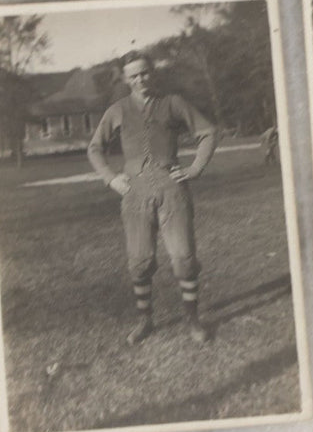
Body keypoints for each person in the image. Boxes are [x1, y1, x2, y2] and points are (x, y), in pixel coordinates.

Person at [88, 51, 219, 345]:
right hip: (134, 194)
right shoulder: (118, 110)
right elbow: (95, 148)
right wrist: (111, 178)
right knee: (139, 260)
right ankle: (144, 320)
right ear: (125, 79)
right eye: (133, 75)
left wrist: (195, 168)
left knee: (184, 258)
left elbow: (208, 133)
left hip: (172, 189)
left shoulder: (173, 103)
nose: (140, 79)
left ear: (152, 73)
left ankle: (192, 320)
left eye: (144, 73)